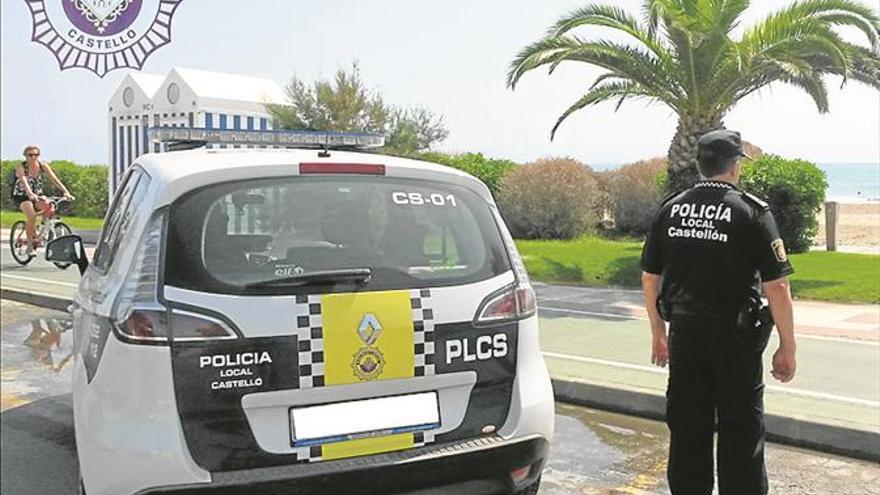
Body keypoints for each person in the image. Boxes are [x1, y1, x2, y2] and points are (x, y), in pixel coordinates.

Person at [640, 130, 797, 495]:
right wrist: (788, 345)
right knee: (741, 432)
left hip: (685, 337)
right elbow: (777, 287)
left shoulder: (672, 208)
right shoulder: (751, 211)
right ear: (735, 165)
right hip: (735, 340)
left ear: (699, 164)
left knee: (687, 431)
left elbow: (650, 278)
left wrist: (658, 333)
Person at [11, 145, 75, 254]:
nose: (33, 157)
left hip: (37, 195)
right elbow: (23, 181)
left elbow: (54, 179)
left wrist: (66, 191)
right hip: (22, 195)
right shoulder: (21, 167)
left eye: (36, 155)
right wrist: (30, 193)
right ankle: (30, 246)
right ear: (25, 156)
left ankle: (42, 232)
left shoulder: (42, 166)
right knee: (31, 215)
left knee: (49, 206)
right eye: (30, 155)